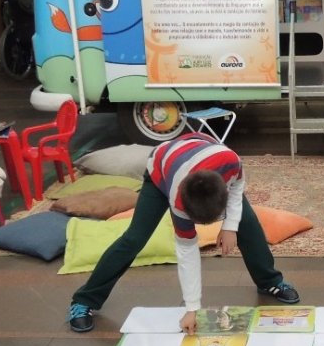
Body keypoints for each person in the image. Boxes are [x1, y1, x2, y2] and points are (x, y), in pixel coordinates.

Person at [67, 133, 300, 334]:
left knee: (246, 222)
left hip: (200, 155)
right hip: (161, 168)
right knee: (134, 238)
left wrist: (230, 226)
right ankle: (83, 300)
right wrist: (192, 309)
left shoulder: (231, 163)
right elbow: (187, 254)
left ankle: (270, 281)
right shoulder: (179, 204)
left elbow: (238, 188)